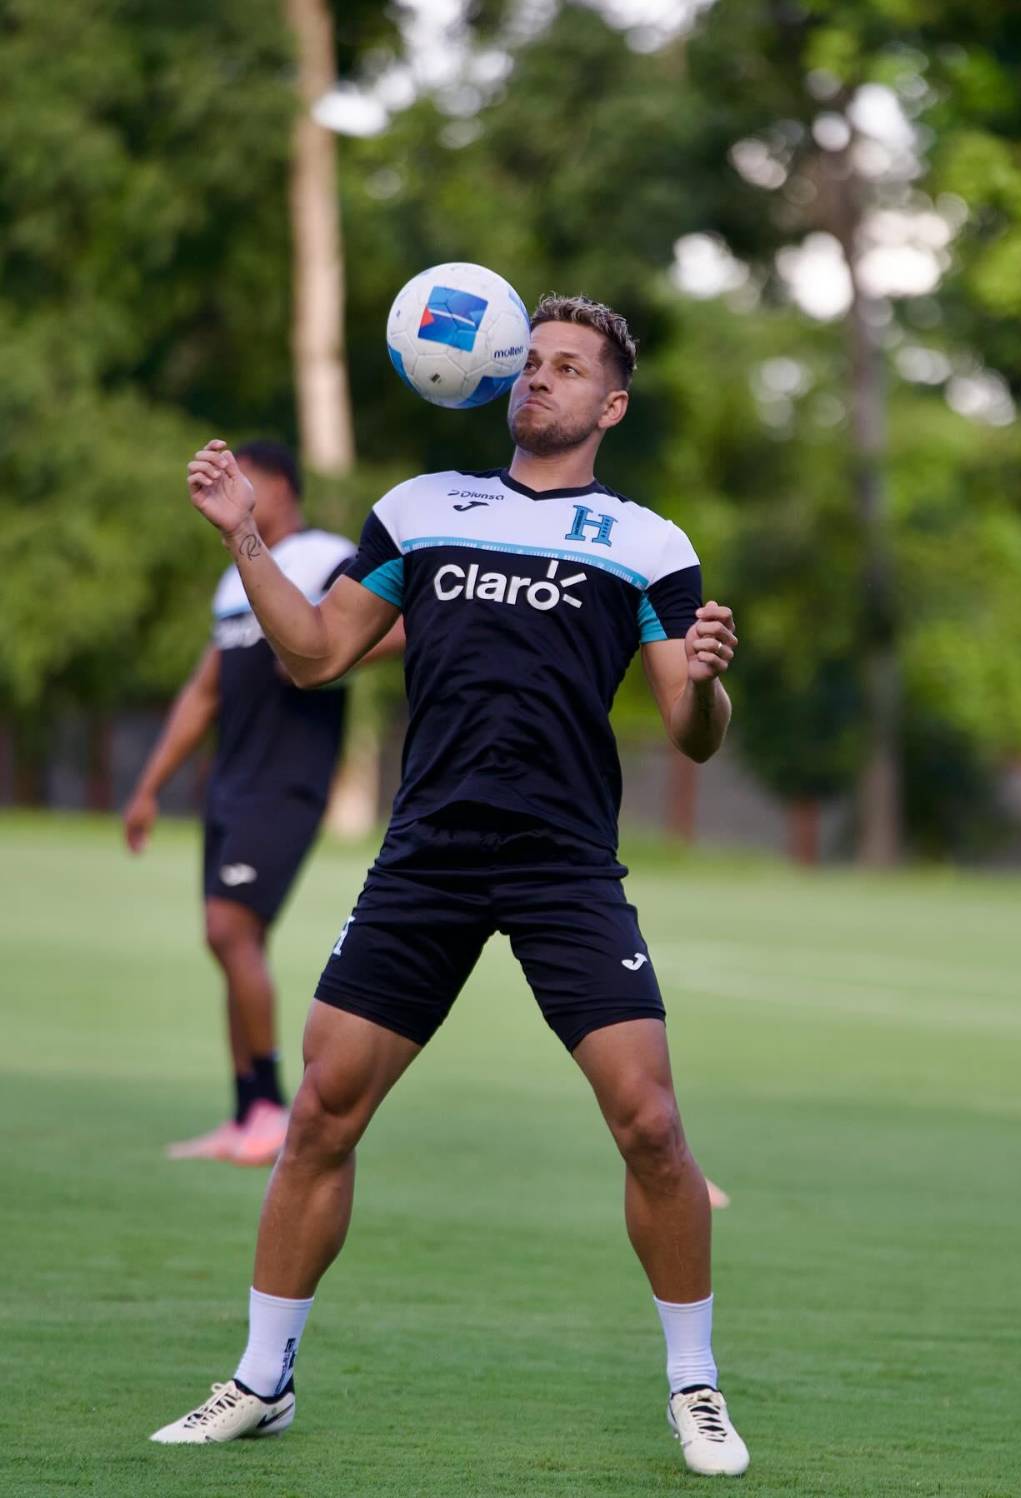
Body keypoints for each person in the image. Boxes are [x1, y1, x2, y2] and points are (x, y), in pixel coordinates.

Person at [150, 297, 749, 1476]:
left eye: (569, 368)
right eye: (530, 363)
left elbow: (693, 731)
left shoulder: (650, 543)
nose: (540, 381)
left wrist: (714, 681)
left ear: (610, 405)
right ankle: (262, 1378)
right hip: (425, 858)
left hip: (565, 865)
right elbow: (316, 655)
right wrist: (244, 538)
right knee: (322, 1110)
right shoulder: (420, 509)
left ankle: (697, 1386)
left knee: (653, 1125)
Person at [123, 440, 404, 1168]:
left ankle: (273, 1108)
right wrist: (150, 786)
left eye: (243, 481)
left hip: (289, 781)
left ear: (275, 485)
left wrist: (319, 655)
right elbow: (205, 690)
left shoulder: (324, 556)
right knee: (230, 941)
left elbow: (400, 627)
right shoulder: (234, 582)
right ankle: (248, 1108)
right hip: (233, 785)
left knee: (229, 930)